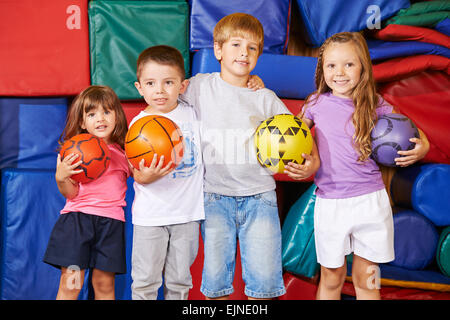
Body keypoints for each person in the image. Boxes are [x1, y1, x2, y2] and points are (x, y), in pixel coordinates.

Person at [182, 13, 319, 300]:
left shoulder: (264, 97)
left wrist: (312, 162)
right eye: (236, 45)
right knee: (216, 283)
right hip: (214, 197)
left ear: (258, 55)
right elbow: (167, 98)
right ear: (218, 50)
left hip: (260, 198)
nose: (244, 52)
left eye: (252, 48)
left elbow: (297, 133)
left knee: (264, 285)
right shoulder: (198, 87)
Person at [284, 32, 430, 300]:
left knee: (367, 278)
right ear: (322, 69)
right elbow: (294, 139)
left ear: (362, 66)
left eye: (348, 64)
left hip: (370, 202)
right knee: (331, 276)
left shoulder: (374, 102)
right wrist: (305, 166)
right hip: (330, 202)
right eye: (331, 65)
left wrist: (425, 144)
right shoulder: (314, 103)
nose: (339, 72)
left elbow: (411, 130)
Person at [129, 45, 205, 300]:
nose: (159, 90)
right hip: (150, 217)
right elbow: (137, 175)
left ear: (182, 86)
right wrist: (150, 175)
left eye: (168, 82)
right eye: (150, 83)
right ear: (139, 87)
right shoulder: (138, 125)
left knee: (180, 282)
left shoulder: (193, 113)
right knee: (145, 282)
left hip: (187, 215)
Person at [43, 85, 130, 300]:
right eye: (92, 114)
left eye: (107, 112)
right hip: (77, 224)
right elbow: (70, 194)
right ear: (82, 122)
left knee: (104, 284)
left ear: (117, 116)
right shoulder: (73, 152)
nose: (100, 119)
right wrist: (61, 177)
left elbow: (142, 178)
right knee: (72, 283)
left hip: (111, 225)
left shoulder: (125, 153)